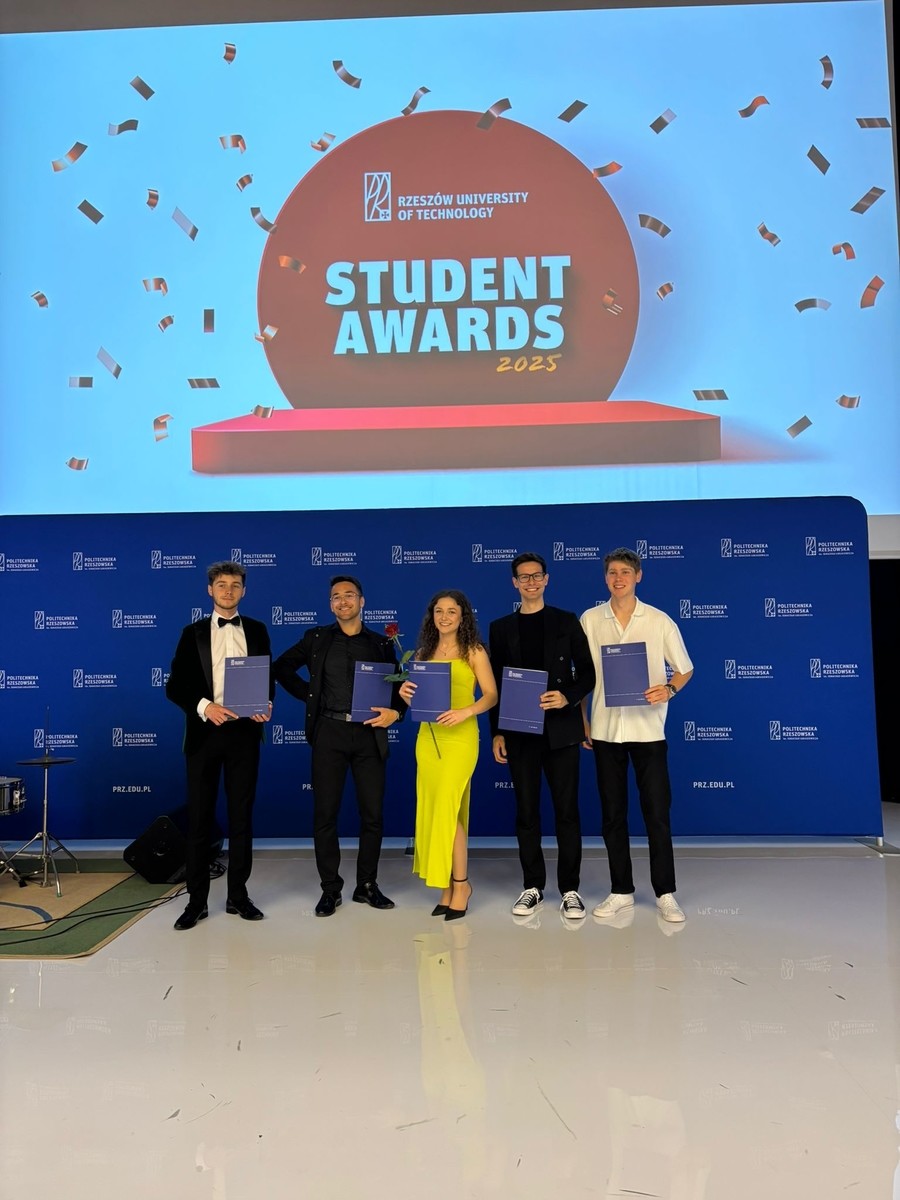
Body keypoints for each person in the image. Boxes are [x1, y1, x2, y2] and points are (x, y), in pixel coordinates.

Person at [272, 575, 404, 917]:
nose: (342, 601)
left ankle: (367, 885)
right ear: (330, 604)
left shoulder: (381, 644)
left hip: (369, 734)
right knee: (325, 814)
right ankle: (330, 888)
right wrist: (310, 697)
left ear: (362, 601)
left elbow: (400, 689)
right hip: (329, 731)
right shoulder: (315, 638)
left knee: (372, 814)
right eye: (336, 597)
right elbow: (281, 667)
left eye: (349, 595)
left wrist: (397, 713)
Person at [581, 548, 693, 923]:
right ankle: (621, 891)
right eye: (612, 572)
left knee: (657, 814)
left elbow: (684, 669)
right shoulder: (590, 619)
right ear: (605, 578)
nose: (619, 578)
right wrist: (583, 721)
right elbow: (582, 676)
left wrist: (670, 689)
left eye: (625, 572)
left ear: (638, 576)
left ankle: (665, 893)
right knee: (612, 815)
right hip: (605, 730)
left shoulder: (659, 621)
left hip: (648, 730)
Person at [165, 561, 273, 931]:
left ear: (244, 590)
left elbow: (266, 678)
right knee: (199, 820)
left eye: (235, 585)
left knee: (242, 818)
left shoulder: (257, 630)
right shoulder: (191, 632)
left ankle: (238, 897)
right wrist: (204, 707)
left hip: (244, 734)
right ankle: (196, 902)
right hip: (204, 734)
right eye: (222, 584)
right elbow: (175, 686)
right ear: (210, 590)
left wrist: (267, 702)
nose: (228, 590)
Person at [489, 552, 596, 921]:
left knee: (567, 812)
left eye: (537, 576)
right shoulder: (500, 628)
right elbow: (496, 685)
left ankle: (570, 890)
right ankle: (532, 886)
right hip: (519, 732)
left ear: (546, 579)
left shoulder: (566, 621)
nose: (531, 582)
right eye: (524, 577)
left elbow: (588, 673)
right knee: (526, 811)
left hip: (562, 730)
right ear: (514, 583)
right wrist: (497, 731)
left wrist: (567, 696)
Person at [398, 591, 497, 920]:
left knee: (448, 809)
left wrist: (466, 711)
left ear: (462, 616)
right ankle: (446, 886)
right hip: (429, 739)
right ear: (432, 616)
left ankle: (461, 885)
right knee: (436, 811)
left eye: (451, 611)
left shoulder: (474, 651)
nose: (444, 617)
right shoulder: (422, 653)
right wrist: (406, 694)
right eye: (439, 611)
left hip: (460, 739)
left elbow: (491, 695)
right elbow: (419, 700)